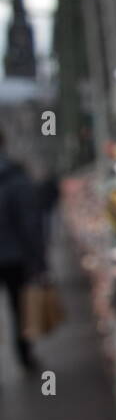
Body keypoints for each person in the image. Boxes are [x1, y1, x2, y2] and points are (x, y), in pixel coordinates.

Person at [0, 128, 47, 371]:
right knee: (19, 307)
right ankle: (25, 354)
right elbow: (31, 223)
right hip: (14, 257)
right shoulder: (16, 177)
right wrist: (39, 261)